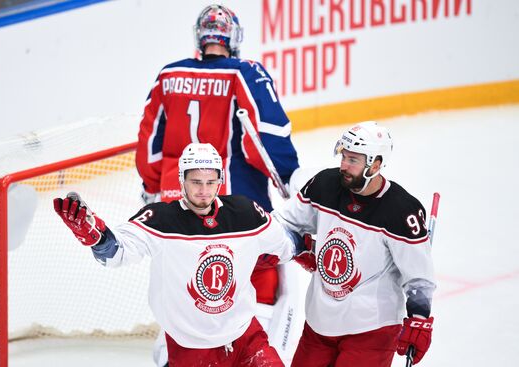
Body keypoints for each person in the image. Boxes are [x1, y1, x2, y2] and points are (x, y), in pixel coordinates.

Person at [134, 4, 301, 364]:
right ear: (232, 37)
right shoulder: (245, 72)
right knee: (258, 271)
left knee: (183, 282)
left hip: (176, 200)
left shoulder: (168, 75)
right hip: (231, 198)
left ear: (201, 36)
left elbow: (149, 144)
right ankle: (254, 349)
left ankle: (170, 354)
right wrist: (289, 176)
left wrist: (153, 189)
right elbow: (269, 133)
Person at [53, 143, 306, 367]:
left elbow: (284, 244)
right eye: (196, 182)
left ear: (220, 180)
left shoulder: (244, 213)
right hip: (191, 347)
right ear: (182, 180)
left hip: (245, 336)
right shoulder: (161, 219)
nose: (204, 191)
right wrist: (95, 235)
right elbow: (117, 252)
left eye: (210, 182)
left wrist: (305, 247)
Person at [273, 121, 436, 366]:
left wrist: (419, 318)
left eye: (353, 160)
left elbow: (418, 277)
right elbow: (285, 223)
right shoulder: (324, 184)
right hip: (320, 323)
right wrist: (299, 245)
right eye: (344, 156)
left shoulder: (401, 211)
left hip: (371, 331)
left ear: (376, 164)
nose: (344, 166)